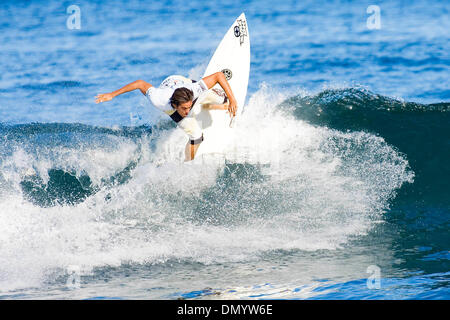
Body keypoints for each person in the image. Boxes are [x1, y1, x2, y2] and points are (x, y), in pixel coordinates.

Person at [95, 72, 237, 161]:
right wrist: (112, 95)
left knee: (221, 98)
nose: (187, 112)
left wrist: (233, 99)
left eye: (189, 107)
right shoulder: (159, 99)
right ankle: (188, 162)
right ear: (175, 106)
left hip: (183, 83)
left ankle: (213, 101)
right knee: (196, 136)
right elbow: (140, 84)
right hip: (168, 87)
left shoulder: (193, 91)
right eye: (184, 109)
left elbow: (219, 75)